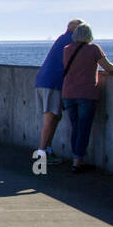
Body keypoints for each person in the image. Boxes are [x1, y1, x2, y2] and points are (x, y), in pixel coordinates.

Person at [60, 23, 113, 172]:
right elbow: (108, 68)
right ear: (89, 35)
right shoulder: (93, 48)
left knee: (75, 127)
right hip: (86, 94)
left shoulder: (67, 49)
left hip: (68, 93)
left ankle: (76, 158)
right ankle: (77, 162)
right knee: (84, 128)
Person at [34, 19, 82, 165]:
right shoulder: (73, 41)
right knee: (50, 119)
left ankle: (46, 150)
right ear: (76, 29)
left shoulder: (62, 38)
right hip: (53, 83)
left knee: (55, 117)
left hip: (42, 80)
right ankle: (41, 154)